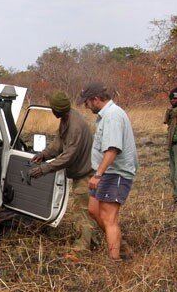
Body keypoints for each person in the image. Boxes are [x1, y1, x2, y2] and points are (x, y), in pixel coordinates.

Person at [29, 90, 96, 252]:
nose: (52, 111)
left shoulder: (75, 127)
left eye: (53, 108)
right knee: (84, 209)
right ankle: (91, 242)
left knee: (83, 211)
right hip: (81, 172)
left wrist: (44, 169)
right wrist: (44, 154)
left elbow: (68, 157)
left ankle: (83, 246)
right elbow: (59, 142)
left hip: (85, 174)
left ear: (57, 110)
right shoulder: (67, 118)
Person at [78, 82, 138, 261]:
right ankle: (121, 246)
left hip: (115, 172)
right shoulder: (106, 116)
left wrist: (98, 175)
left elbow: (112, 149)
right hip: (106, 172)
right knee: (93, 210)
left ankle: (114, 261)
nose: (86, 106)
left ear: (96, 99)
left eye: (87, 102)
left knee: (108, 217)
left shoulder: (112, 116)